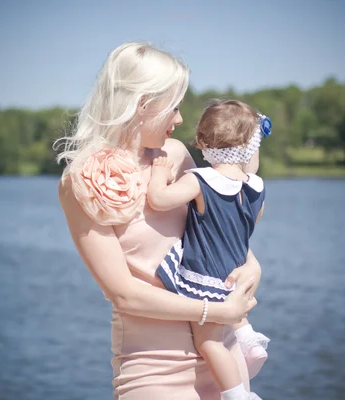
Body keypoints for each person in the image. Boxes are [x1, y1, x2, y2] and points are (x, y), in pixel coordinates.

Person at [56, 42, 262, 400]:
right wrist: (215, 309)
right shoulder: (79, 182)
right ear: (142, 104)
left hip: (220, 355)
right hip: (153, 370)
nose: (180, 119)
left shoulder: (177, 154)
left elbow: (217, 232)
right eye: (174, 106)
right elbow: (123, 294)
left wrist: (252, 268)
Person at [147, 100, 271, 400]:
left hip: (206, 278)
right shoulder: (256, 186)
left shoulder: (201, 180)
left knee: (210, 345)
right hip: (235, 273)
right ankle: (247, 337)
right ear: (247, 147)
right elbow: (254, 218)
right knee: (232, 313)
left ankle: (237, 395)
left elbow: (159, 200)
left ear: (202, 143)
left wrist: (158, 173)